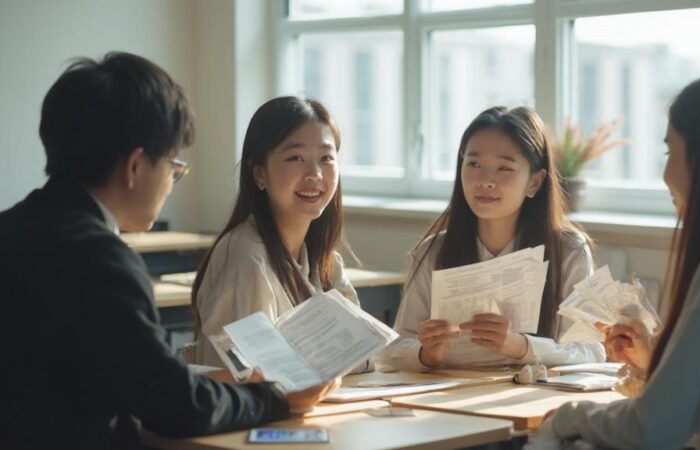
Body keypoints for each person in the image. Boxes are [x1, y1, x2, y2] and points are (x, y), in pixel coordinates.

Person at [0, 52, 332, 450]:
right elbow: (174, 405)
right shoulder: (101, 259)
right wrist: (275, 398)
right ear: (136, 166)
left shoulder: (13, 228)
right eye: (174, 167)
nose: (172, 183)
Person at [532, 69, 700, 449]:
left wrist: (569, 416)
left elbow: (651, 428)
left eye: (670, 152)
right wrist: (657, 365)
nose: (664, 173)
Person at [383, 106, 604, 371]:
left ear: (535, 182)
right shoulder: (433, 251)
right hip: (448, 399)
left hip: (529, 399)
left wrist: (520, 346)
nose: (486, 180)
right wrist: (427, 353)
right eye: (474, 164)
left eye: (504, 168)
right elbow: (394, 349)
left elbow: (591, 352)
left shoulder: (569, 250)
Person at [192, 97, 366, 371]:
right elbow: (247, 373)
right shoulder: (247, 257)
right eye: (295, 158)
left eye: (326, 158)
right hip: (264, 412)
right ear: (259, 173)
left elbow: (362, 353)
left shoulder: (325, 260)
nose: (315, 174)